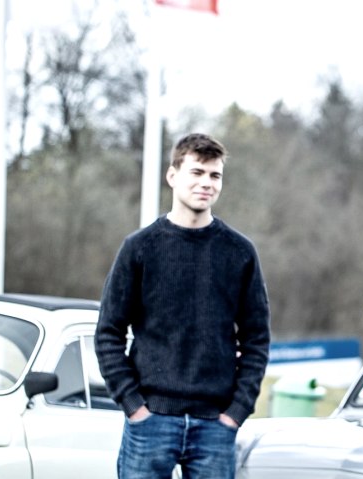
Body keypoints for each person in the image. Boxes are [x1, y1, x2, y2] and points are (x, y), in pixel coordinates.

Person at [95, 133, 271, 479]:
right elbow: (108, 332)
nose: (206, 183)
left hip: (215, 425)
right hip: (151, 420)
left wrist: (236, 412)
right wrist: (133, 406)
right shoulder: (140, 248)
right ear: (173, 176)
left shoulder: (239, 253)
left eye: (214, 175)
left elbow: (257, 340)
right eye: (197, 172)